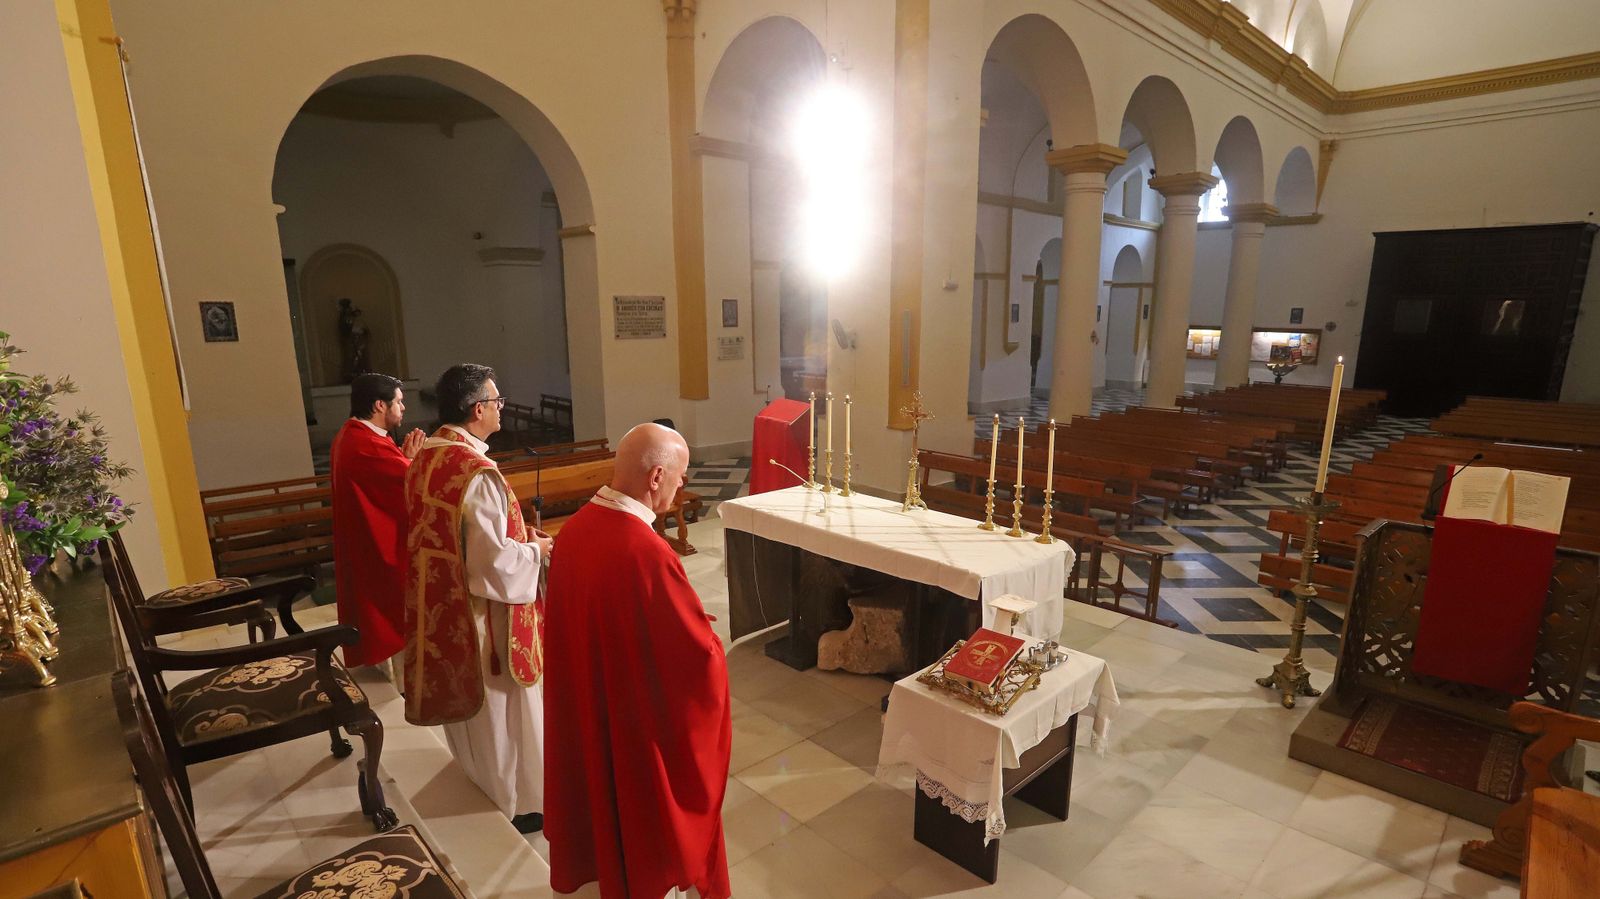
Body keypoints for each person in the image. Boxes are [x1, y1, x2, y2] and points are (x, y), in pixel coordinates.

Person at [544, 423, 731, 899]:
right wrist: (708, 637)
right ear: (655, 477)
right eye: (680, 476)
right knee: (642, 809)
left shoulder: (577, 529)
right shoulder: (646, 551)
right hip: (633, 727)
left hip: (593, 702)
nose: (682, 485)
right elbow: (696, 657)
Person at [402, 363, 553, 833]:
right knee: (504, 717)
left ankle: (481, 785)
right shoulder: (477, 473)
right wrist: (538, 549)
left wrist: (518, 535)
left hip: (441, 610)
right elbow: (494, 565)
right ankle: (518, 803)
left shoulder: (427, 456)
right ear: (478, 409)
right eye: (498, 400)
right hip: (486, 621)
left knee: (473, 721)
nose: (501, 407)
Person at [330, 373, 425, 670]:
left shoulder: (354, 435)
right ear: (379, 406)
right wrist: (412, 462)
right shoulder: (366, 444)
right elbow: (411, 486)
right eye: (399, 401)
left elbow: (388, 481)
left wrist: (403, 459)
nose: (403, 407)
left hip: (367, 541)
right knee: (394, 613)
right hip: (378, 548)